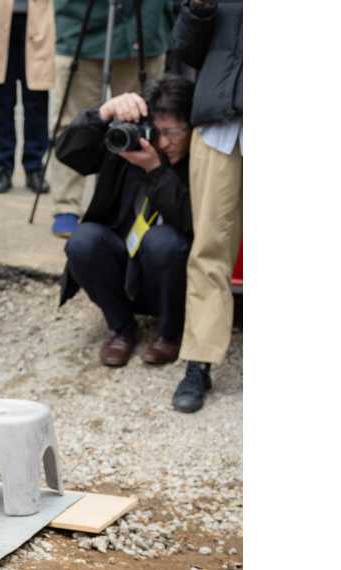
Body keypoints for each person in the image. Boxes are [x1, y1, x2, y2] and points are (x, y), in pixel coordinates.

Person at [56, 75, 195, 368]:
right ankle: (121, 328)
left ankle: (170, 334)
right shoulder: (130, 144)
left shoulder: (201, 157)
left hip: (173, 278)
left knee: (163, 241)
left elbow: (189, 220)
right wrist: (103, 113)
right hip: (126, 267)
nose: (164, 143)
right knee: (83, 241)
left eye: (172, 133)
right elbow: (67, 153)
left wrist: (155, 170)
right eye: (157, 132)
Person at [45, 0, 174, 238]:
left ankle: (133, 203)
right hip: (81, 23)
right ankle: (66, 205)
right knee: (73, 119)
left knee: (140, 123)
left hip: (144, 23)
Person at [169, 0, 241, 413]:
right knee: (209, 249)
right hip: (219, 127)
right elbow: (186, 51)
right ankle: (199, 361)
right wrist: (199, 9)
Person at [0, 0, 53, 194]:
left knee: (37, 104)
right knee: (0, 104)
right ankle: (4, 168)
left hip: (38, 22)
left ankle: (34, 167)